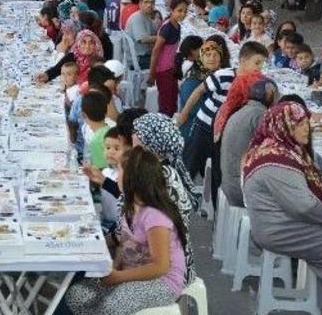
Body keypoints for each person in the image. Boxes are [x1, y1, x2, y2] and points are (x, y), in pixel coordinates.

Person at [242, 102, 322, 313]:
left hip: (283, 222)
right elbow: (304, 207)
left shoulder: (282, 149)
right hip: (278, 229)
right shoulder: (276, 159)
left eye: (305, 122)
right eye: (298, 124)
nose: (306, 128)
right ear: (283, 127)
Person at [65, 146, 190, 315]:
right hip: (132, 273)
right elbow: (121, 240)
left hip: (162, 282)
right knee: (76, 295)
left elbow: (160, 267)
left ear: (132, 179)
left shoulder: (155, 216)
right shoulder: (130, 205)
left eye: (119, 171)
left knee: (110, 306)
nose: (116, 176)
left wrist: (118, 277)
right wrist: (107, 262)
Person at [179, 41, 269, 179]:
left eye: (262, 64)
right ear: (243, 61)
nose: (260, 68)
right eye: (257, 63)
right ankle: (180, 193)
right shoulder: (223, 75)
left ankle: (213, 197)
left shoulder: (255, 83)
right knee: (191, 162)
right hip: (204, 125)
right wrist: (184, 113)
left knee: (217, 168)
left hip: (223, 130)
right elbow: (198, 91)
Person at [218, 77, 278, 207]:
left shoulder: (244, 110)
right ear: (269, 95)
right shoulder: (260, 114)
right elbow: (277, 144)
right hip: (240, 189)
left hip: (229, 183)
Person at [147, 0, 189, 116]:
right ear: (171, 10)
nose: (183, 14)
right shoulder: (167, 28)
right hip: (163, 70)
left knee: (173, 100)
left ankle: (171, 125)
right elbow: (156, 51)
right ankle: (163, 128)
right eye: (179, 11)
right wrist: (152, 74)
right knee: (165, 103)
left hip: (172, 68)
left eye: (185, 11)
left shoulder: (177, 26)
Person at [124, 0, 158, 70]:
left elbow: (156, 30)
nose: (149, 5)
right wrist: (162, 37)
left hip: (143, 56)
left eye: (152, 2)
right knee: (168, 63)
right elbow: (143, 39)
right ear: (140, 4)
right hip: (138, 59)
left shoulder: (146, 17)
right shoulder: (137, 17)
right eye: (146, 2)